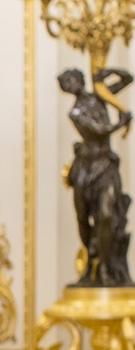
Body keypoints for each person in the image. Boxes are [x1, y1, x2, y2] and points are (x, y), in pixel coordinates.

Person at [59, 66, 133, 287]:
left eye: (71, 80)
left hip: (106, 165)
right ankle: (92, 260)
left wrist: (107, 72)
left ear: (80, 79)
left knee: (107, 214)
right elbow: (99, 130)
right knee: (83, 217)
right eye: (66, 84)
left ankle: (106, 265)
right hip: (86, 168)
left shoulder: (100, 96)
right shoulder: (75, 113)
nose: (70, 85)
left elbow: (129, 78)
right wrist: (121, 122)